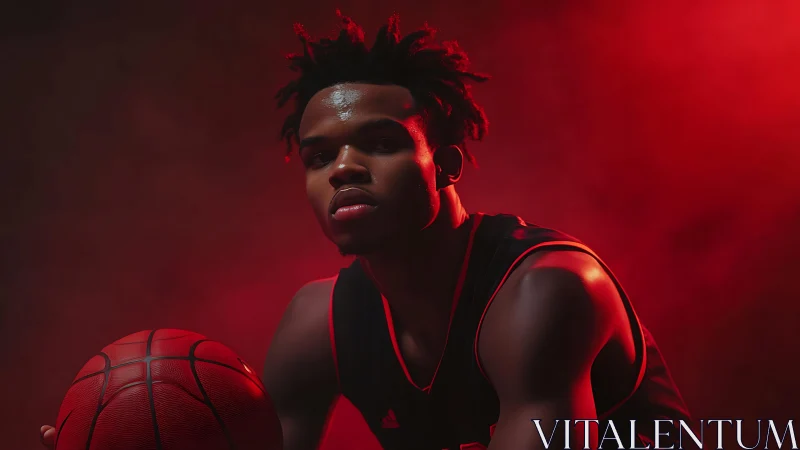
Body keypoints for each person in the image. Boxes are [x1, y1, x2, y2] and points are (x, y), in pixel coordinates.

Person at [40, 12, 691, 450]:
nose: (344, 169)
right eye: (319, 156)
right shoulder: (317, 324)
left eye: (379, 143)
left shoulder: (545, 291)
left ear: (447, 165)